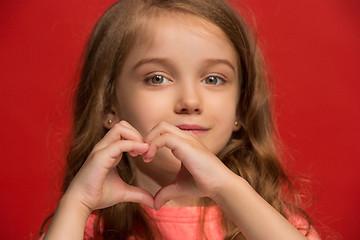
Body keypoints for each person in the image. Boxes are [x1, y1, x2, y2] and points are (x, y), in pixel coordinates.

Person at [41, 0, 321, 239]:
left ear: (240, 108)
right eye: (158, 78)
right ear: (109, 105)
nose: (190, 101)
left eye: (213, 79)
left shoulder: (275, 225)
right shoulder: (82, 228)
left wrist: (227, 188)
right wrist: (76, 204)